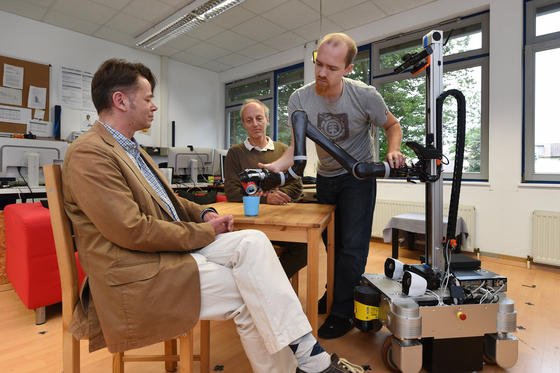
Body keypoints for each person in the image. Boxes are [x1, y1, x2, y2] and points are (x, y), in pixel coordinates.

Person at [63, 58, 364, 373]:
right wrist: (206, 232)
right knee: (253, 293)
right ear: (120, 100)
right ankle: (308, 364)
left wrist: (205, 212)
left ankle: (306, 359)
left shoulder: (132, 149)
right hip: (136, 270)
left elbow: (171, 201)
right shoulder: (91, 153)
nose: (154, 107)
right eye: (149, 98)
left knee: (253, 241)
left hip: (163, 253)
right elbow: (133, 231)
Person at [260, 33, 405, 339]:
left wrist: (393, 150)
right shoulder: (300, 99)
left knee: (352, 248)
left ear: (348, 69)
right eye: (318, 63)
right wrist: (274, 168)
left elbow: (393, 125)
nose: (322, 73)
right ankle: (337, 294)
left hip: (358, 178)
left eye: (332, 68)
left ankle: (343, 312)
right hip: (326, 177)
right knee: (333, 244)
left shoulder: (365, 96)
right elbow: (295, 148)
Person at [224, 98, 307, 279]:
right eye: (249, 120)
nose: (255, 124)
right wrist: (265, 199)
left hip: (279, 222)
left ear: (267, 120)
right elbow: (232, 193)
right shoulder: (235, 153)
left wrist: (281, 195)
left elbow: (296, 185)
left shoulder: (284, 150)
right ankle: (267, 284)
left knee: (304, 249)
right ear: (244, 124)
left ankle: (270, 282)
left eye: (259, 118)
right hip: (248, 225)